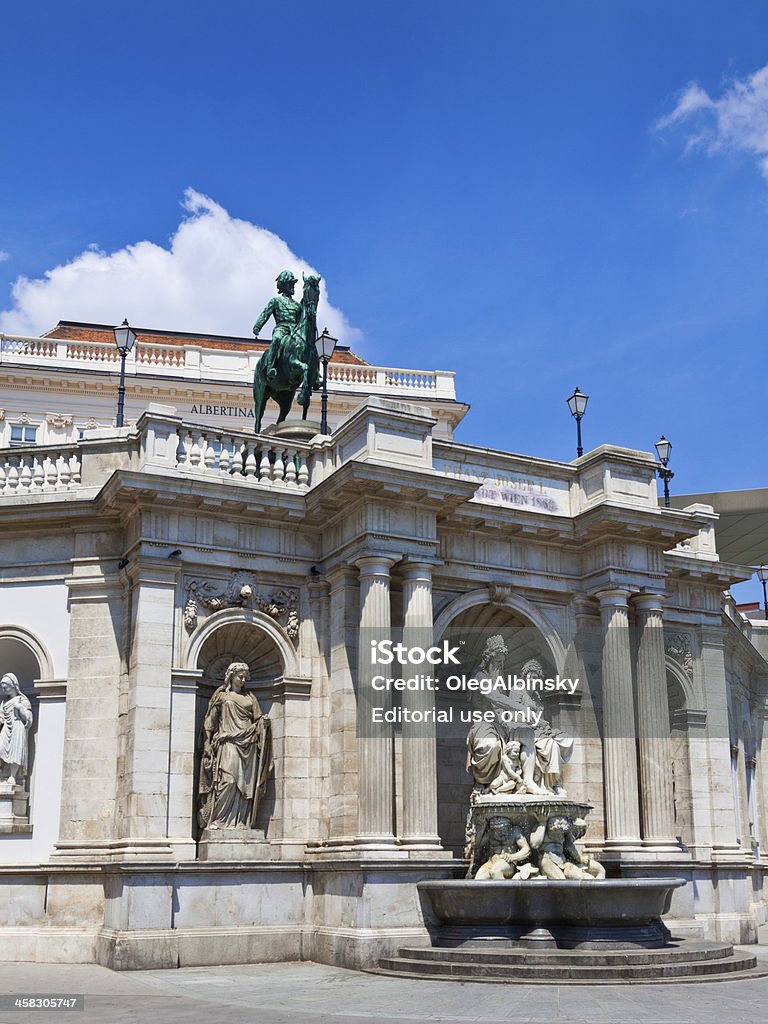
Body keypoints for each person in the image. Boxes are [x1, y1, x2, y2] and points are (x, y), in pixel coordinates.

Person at [198, 661, 272, 830]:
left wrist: (264, 722)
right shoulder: (222, 696)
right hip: (227, 742)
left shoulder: (250, 698)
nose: (243, 680)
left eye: (245, 677)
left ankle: (241, 821)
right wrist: (207, 744)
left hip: (248, 743)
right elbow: (210, 722)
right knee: (228, 781)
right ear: (231, 676)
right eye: (240, 676)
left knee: (245, 786)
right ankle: (218, 820)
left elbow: (258, 719)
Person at [252, 271, 302, 381]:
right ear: (284, 285)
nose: (293, 287)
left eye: (293, 284)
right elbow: (265, 314)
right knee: (276, 340)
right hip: (281, 327)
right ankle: (271, 366)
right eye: (290, 284)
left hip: (295, 330)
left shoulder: (297, 305)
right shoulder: (276, 301)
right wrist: (257, 326)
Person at [0, 673, 33, 786]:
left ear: (13, 685)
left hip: (17, 727)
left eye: (6, 686)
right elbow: (2, 716)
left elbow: (28, 718)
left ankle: (12, 776)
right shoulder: (4, 702)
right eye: (2, 686)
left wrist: (21, 709)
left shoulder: (22, 700)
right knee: (1, 748)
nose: (3, 689)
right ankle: (2, 775)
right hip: (6, 727)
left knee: (15, 752)